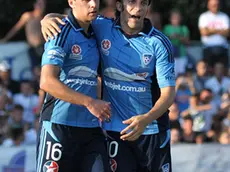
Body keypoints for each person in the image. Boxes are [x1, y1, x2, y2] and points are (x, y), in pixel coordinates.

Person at [41, 0, 176, 171]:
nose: (138, 8)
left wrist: (146, 119)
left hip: (152, 130)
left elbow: (169, 95)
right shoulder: (102, 27)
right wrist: (47, 18)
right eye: (132, 2)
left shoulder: (159, 42)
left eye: (143, 3)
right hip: (116, 132)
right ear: (119, 6)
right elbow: (75, 19)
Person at [37, 0, 111, 172]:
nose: (93, 4)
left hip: (91, 129)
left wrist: (48, 17)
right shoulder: (60, 31)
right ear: (71, 1)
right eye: (86, 0)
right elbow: (47, 81)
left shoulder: (99, 30)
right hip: (59, 126)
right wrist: (90, 102)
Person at [0, 0, 46, 68]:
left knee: (44, 68)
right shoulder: (28, 16)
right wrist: (6, 39)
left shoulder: (44, 18)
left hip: (44, 46)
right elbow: (16, 29)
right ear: (35, 5)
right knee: (35, 69)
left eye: (42, 4)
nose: (41, 6)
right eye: (39, 4)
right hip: (32, 47)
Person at [198, 0, 230, 69]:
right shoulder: (204, 16)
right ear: (208, 6)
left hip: (223, 49)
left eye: (217, 5)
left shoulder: (224, 16)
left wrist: (210, 30)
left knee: (223, 72)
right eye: (213, 5)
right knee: (207, 70)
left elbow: (227, 33)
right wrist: (220, 30)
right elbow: (204, 32)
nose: (215, 7)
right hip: (208, 49)